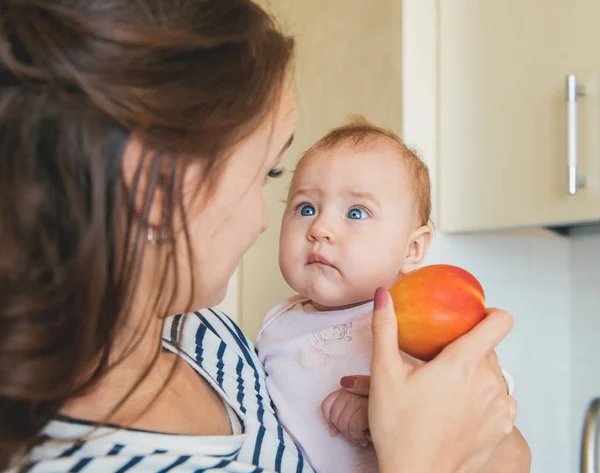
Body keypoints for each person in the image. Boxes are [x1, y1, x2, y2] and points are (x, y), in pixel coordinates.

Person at [0, 1, 522, 472]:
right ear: (153, 188)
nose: (265, 221)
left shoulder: (209, 340)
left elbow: (506, 446)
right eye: (270, 178)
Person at [256, 117, 528, 473]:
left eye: (356, 212)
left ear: (412, 249)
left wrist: (375, 412)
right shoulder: (274, 325)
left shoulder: (419, 317)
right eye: (306, 208)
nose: (319, 228)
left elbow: (483, 395)